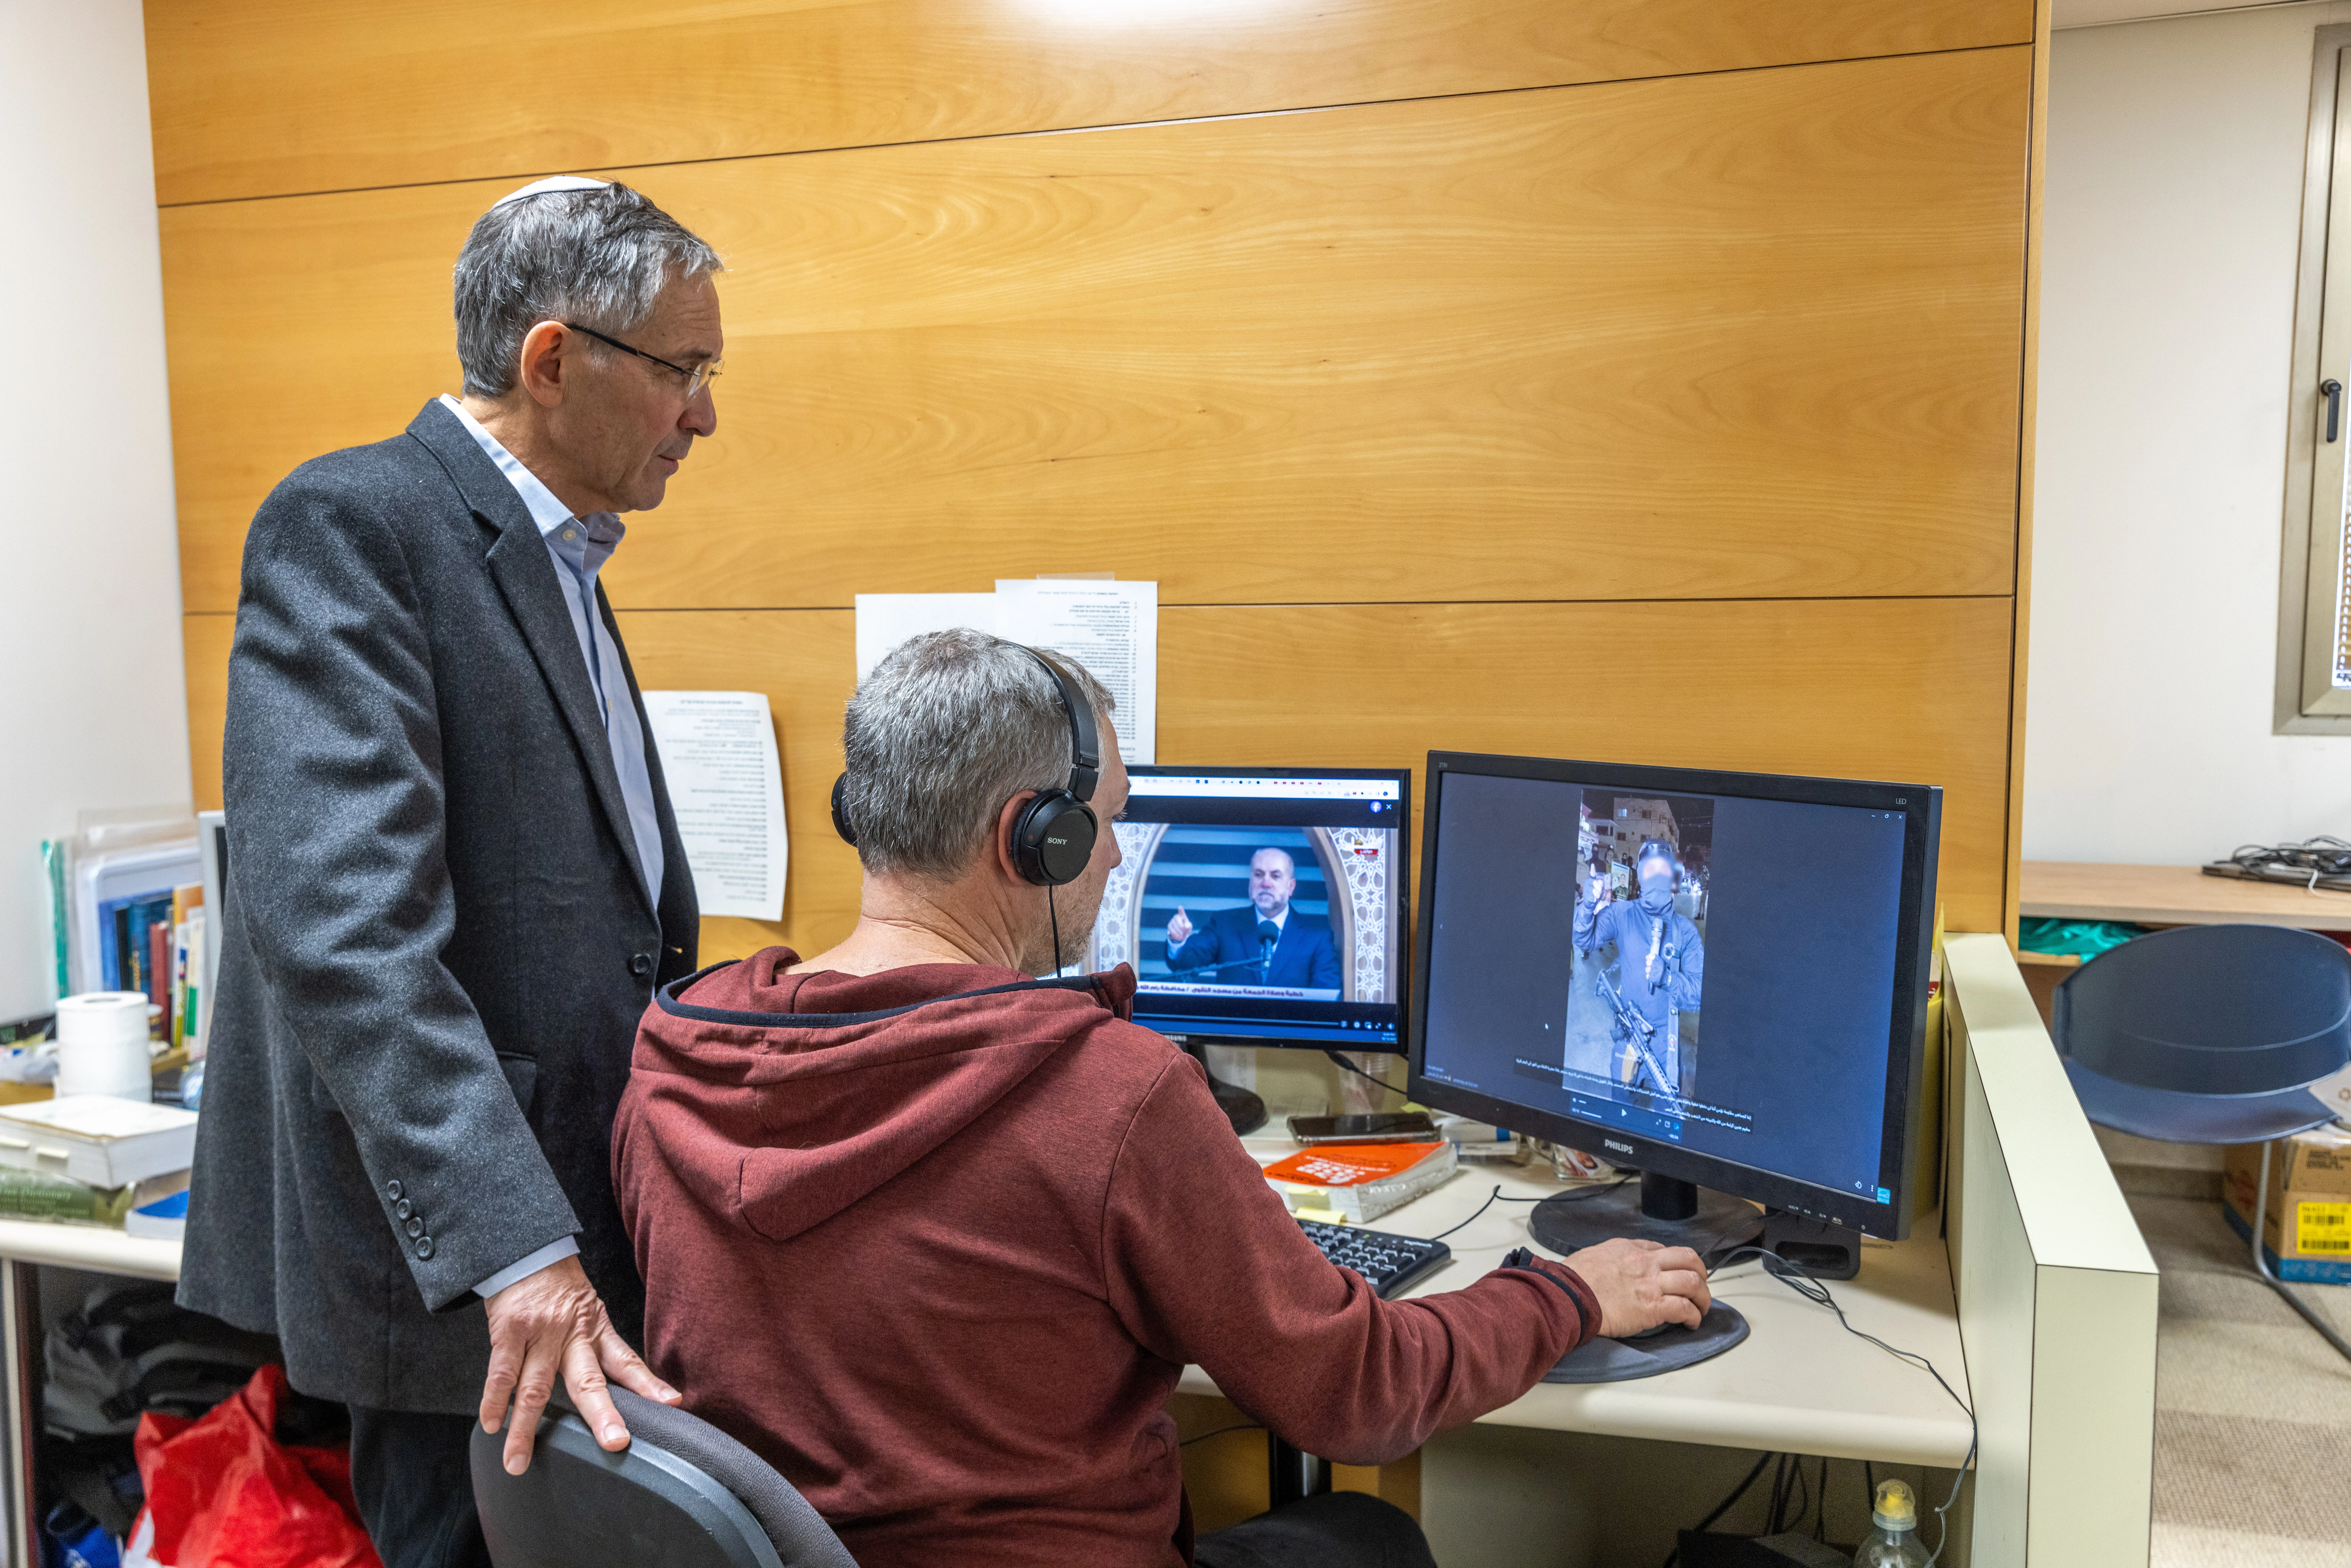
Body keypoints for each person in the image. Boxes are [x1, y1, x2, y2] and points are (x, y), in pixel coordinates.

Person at [613, 630, 1711, 1568]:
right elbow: (1358, 1393)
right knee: (1360, 1535)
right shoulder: (1107, 1095)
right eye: (1103, 823)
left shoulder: (676, 1058)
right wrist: (1561, 1295)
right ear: (1032, 839)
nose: (1107, 859)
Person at [179, 176, 723, 1567]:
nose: (703, 416)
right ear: (553, 361)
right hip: (473, 1293)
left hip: (563, 1255)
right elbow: (345, 935)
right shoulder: (355, 526)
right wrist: (516, 1248)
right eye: (683, 371)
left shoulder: (561, 560)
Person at [1573, 838, 1706, 1097]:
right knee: (1620, 1108)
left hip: (1666, 1045)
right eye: (1649, 870)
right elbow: (1583, 940)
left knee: (1666, 1118)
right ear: (1640, 875)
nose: (1657, 876)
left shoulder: (1686, 932)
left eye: (1663, 870)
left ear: (1674, 876)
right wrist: (1587, 907)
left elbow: (1700, 993)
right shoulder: (1622, 914)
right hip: (1628, 1038)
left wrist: (1668, 979)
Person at [1165, 847, 1343, 989]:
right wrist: (1178, 941)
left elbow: (1326, 994)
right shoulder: (1224, 924)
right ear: (1251, 882)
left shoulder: (1317, 936)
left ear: (1291, 887)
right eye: (1259, 875)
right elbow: (1185, 965)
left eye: (1276, 876)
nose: (1266, 883)